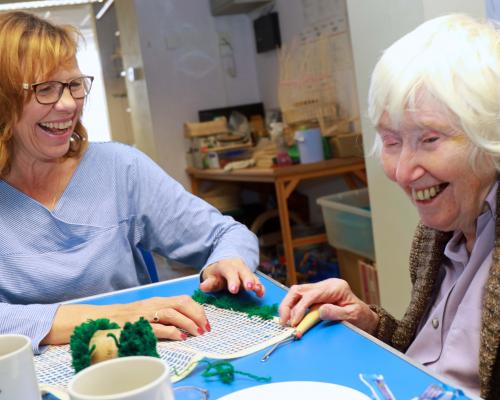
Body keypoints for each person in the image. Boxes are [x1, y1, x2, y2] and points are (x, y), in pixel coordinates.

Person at [0, 11, 264, 354]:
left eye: (74, 85)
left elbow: (228, 234)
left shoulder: (119, 169)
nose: (67, 105)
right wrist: (108, 316)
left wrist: (225, 263)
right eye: (45, 89)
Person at [279, 14, 499, 400]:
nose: (402, 171)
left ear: (491, 136)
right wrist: (366, 321)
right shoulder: (436, 233)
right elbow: (428, 357)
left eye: (429, 139)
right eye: (392, 140)